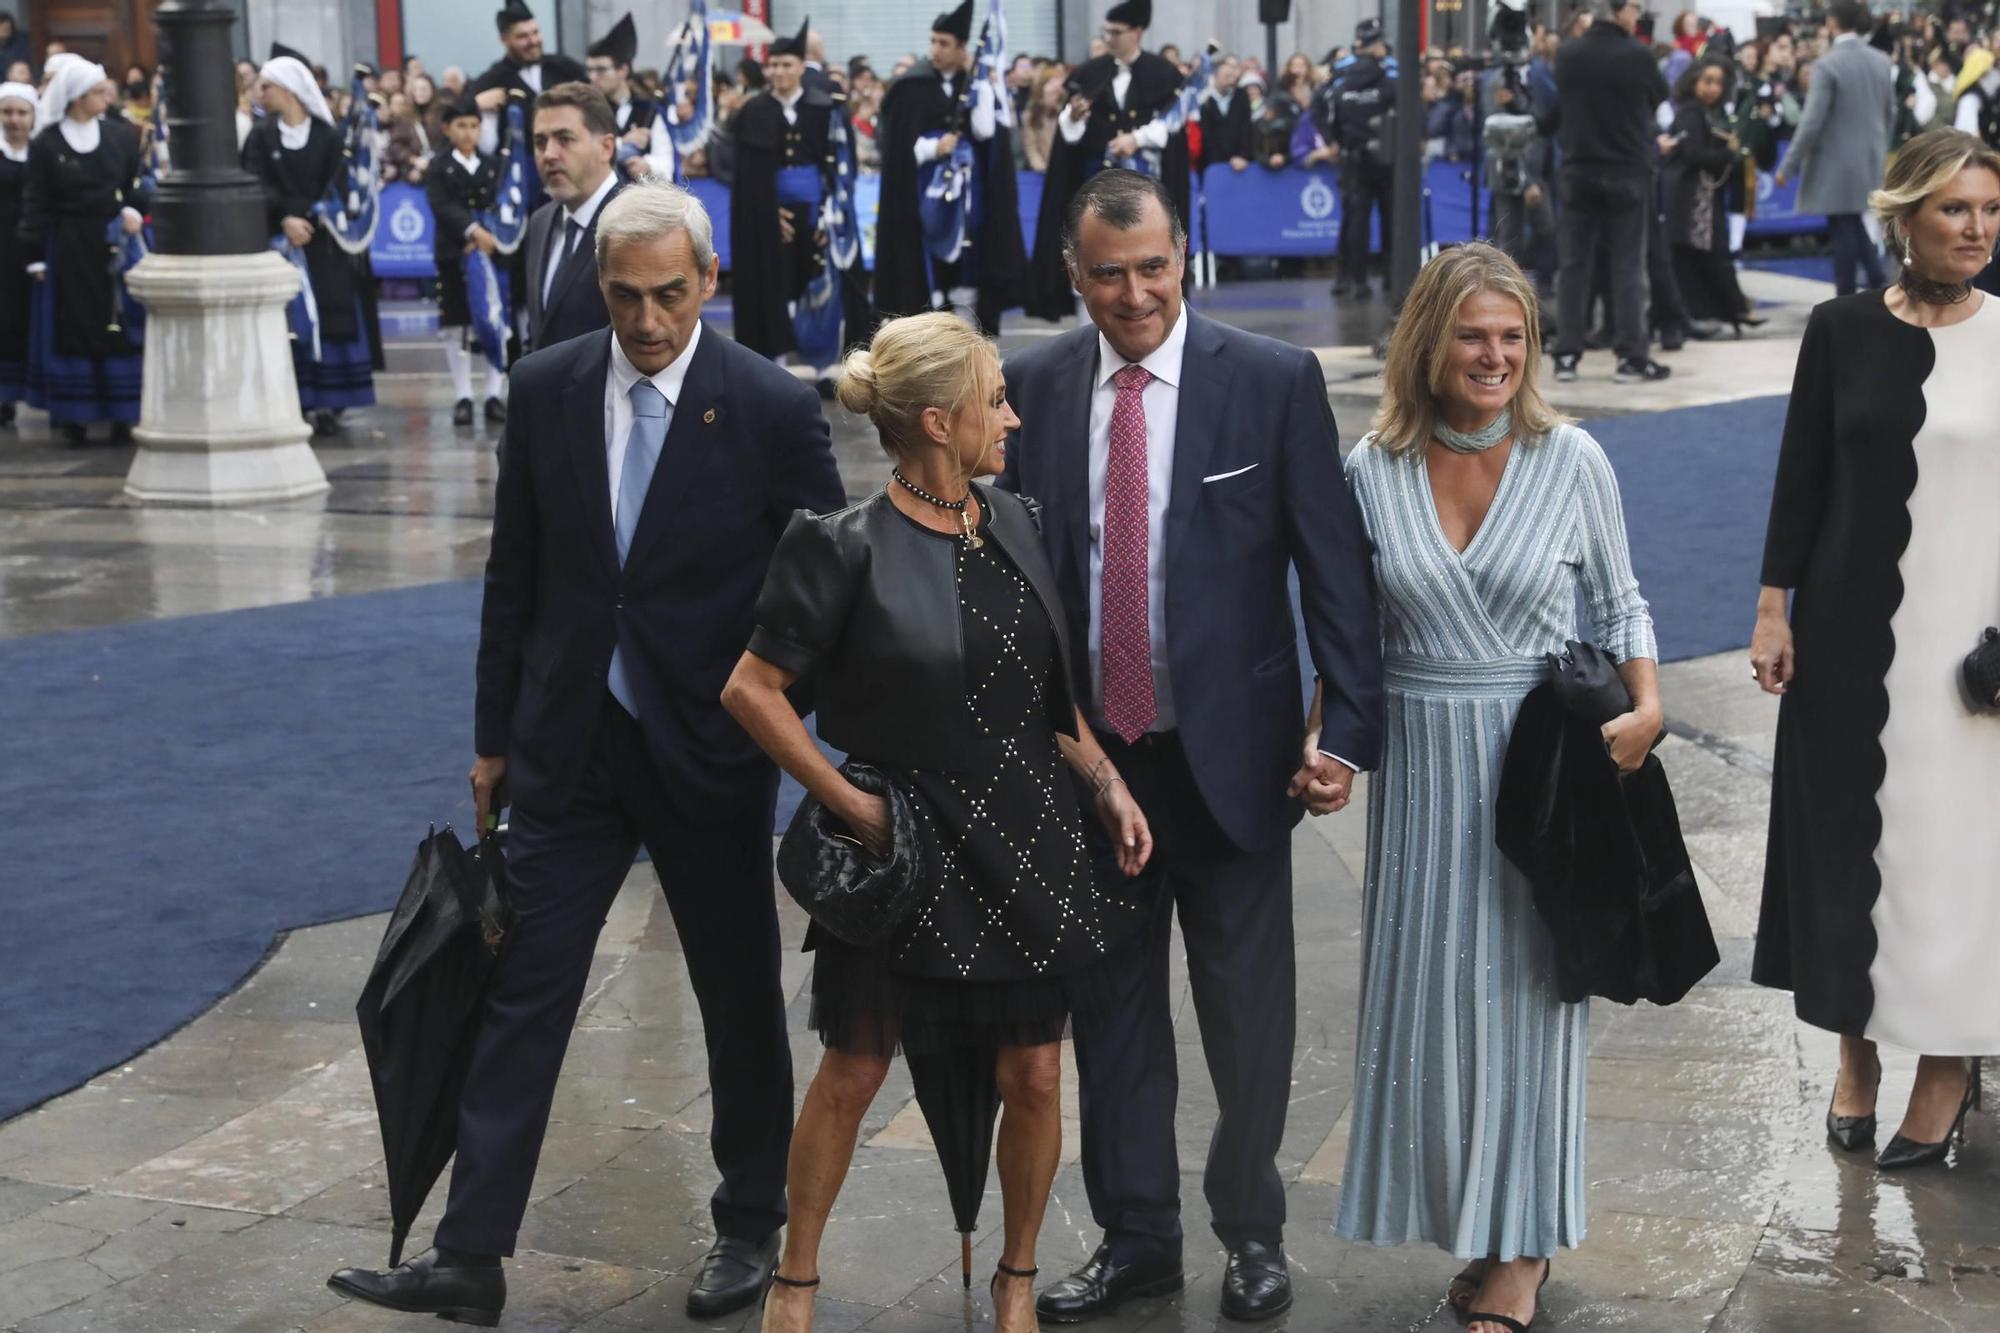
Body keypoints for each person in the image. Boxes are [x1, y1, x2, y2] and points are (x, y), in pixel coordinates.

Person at [326, 180, 845, 1327]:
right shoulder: (549, 385)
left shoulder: (766, 405)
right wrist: (491, 738)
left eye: (668, 294)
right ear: (599, 288)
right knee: (522, 987)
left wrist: (784, 720)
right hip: (567, 748)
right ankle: (470, 1255)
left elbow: (819, 590)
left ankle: (749, 1224)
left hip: (708, 751)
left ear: (708, 281)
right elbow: (514, 575)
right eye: (625, 296)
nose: (647, 319)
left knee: (734, 995)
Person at [1003, 169, 1383, 1326]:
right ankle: (1136, 1240)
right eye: (1107, 273)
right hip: (1095, 766)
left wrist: (1346, 734)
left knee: (1245, 1015)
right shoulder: (1031, 386)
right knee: (1113, 1016)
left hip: (1232, 758)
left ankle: (1251, 1230)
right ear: (1074, 275)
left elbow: (1334, 570)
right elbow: (1014, 586)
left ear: (1186, 257)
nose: (1133, 295)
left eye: (1152, 267)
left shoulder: (1267, 383)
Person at [725, 311, 1152, 1333]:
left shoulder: (1013, 521)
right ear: (933, 421)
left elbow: (1040, 700)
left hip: (1029, 839)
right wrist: (852, 804)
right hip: (910, 852)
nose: (1009, 415)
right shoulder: (841, 548)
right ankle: (795, 1278)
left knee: (1036, 1071)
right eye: (990, 400)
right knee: (853, 1068)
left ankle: (1015, 1278)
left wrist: (1106, 781)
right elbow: (751, 690)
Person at [1333, 242, 1659, 1333]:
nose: (1494, 356)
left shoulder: (1570, 460)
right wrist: (1320, 741)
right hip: (1421, 773)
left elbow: (1620, 607)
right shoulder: (1369, 469)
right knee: (1431, 1007)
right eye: (1473, 335)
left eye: (1512, 337)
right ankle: (1475, 1221)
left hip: (1541, 767)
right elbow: (1342, 637)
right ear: (1428, 340)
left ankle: (1520, 1250)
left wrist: (1646, 706)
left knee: (1524, 1000)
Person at [1751, 127, 1998, 1175]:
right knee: (1849, 851)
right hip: (1848, 638)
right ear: (1900, 217)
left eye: (1988, 210)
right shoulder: (1839, 329)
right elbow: (1799, 475)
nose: (1976, 229)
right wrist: (1771, 609)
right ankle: (1854, 1057)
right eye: (1954, 209)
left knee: (1958, 863)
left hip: (1971, 649)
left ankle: (1945, 1066)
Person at [1023, 0, 1186, 321]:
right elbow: (1069, 135)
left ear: (1137, 33)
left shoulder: (1163, 74)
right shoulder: (1090, 72)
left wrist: (1136, 139)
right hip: (1095, 187)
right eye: (1106, 31)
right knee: (1095, 255)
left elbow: (1174, 123)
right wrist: (1073, 116)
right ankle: (1090, 328)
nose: (1108, 37)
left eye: (1116, 31)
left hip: (1146, 189)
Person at [245, 50, 379, 437]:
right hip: (280, 241)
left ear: (287, 89)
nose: (261, 93)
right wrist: (286, 217)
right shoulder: (260, 136)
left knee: (330, 312)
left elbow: (339, 184)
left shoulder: (328, 136)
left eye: (266, 86)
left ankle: (330, 402)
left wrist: (312, 219)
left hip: (323, 243)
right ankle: (294, 398)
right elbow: (255, 182)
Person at [875, 0, 1028, 335]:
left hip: (967, 195)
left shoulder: (973, 83)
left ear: (962, 49)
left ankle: (967, 326)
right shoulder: (910, 86)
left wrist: (984, 86)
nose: (935, 50)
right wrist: (932, 147)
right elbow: (897, 149)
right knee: (927, 260)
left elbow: (988, 133)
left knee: (967, 259)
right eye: (933, 41)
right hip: (922, 194)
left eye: (944, 43)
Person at [21, 58, 148, 446]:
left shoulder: (119, 136)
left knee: (117, 322)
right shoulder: (47, 143)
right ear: (76, 98)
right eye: (97, 92)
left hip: (112, 242)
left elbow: (135, 185)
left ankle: (122, 414)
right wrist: (36, 255)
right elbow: (36, 199)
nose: (105, 97)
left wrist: (131, 209)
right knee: (73, 323)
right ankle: (74, 415)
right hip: (69, 244)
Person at [1551, 0, 1672, 383]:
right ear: (1620, 12)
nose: (1638, 14)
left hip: (1578, 168)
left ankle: (1567, 355)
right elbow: (1659, 95)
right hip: (1626, 170)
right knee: (1628, 266)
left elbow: (1558, 109)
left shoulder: (1568, 54)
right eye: (1635, 7)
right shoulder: (1638, 55)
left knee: (1573, 266)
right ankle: (1631, 356)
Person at [727, 22, 839, 362]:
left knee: (816, 285)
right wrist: (768, 212)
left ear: (801, 67)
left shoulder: (823, 107)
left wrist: (827, 215)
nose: (778, 72)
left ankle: (820, 364)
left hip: (815, 211)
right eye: (772, 65)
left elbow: (832, 166)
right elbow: (746, 177)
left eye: (786, 64)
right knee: (774, 287)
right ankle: (774, 360)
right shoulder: (752, 111)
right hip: (769, 215)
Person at [1777, 1, 1895, 297]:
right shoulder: (1881, 61)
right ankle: (1877, 281)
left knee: (1843, 228)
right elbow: (1890, 113)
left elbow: (1811, 122)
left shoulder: (1827, 65)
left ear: (1832, 23)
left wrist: (1789, 166)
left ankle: (1845, 296)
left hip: (1834, 161)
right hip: (1870, 157)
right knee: (1853, 222)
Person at [522, 82, 626, 353]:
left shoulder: (638, 224)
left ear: (606, 147)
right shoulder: (540, 222)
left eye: (564, 139)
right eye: (540, 142)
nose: (549, 154)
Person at [426, 95, 508, 426]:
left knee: (494, 317)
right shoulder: (438, 166)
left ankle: (493, 393)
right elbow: (442, 205)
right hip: (455, 252)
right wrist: (472, 232)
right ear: (447, 129)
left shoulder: (493, 165)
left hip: (491, 251)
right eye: (461, 126)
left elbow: (504, 202)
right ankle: (463, 394)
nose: (468, 133)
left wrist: (490, 236)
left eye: (474, 126)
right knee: (456, 324)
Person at [1665, 57, 1760, 331]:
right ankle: (1731, 310)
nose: (1713, 89)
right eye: (1707, 81)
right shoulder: (1690, 114)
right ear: (1693, 81)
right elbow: (1694, 154)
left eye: (1718, 83)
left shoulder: (1702, 113)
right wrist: (1727, 153)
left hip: (1699, 199)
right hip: (1693, 201)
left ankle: (1728, 311)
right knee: (1708, 256)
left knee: (1707, 256)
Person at [1325, 19, 1397, 298]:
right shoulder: (1392, 71)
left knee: (1355, 221)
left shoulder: (1341, 72)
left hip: (1353, 155)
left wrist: (1334, 140)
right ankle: (1394, 276)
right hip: (1388, 157)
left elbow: (1323, 107)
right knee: (1391, 219)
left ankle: (1354, 280)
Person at [587, 12, 680, 183]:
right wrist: (622, 143)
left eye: (601, 70)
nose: (593, 77)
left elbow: (666, 162)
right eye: (590, 70)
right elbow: (582, 155)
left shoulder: (649, 109)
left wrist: (648, 165)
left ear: (623, 70)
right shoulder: (587, 111)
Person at [0, 80, 32, 427]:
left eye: (21, 113)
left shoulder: (41, 151)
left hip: (32, 246)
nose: (14, 120)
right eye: (7, 112)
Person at [1197, 54, 1255, 170]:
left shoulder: (1241, 96)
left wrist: (1242, 156)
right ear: (1216, 75)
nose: (1231, 79)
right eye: (1226, 76)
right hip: (1211, 163)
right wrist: (1217, 160)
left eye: (1233, 76)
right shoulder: (1204, 99)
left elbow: (1245, 128)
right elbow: (1205, 134)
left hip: (1238, 161)